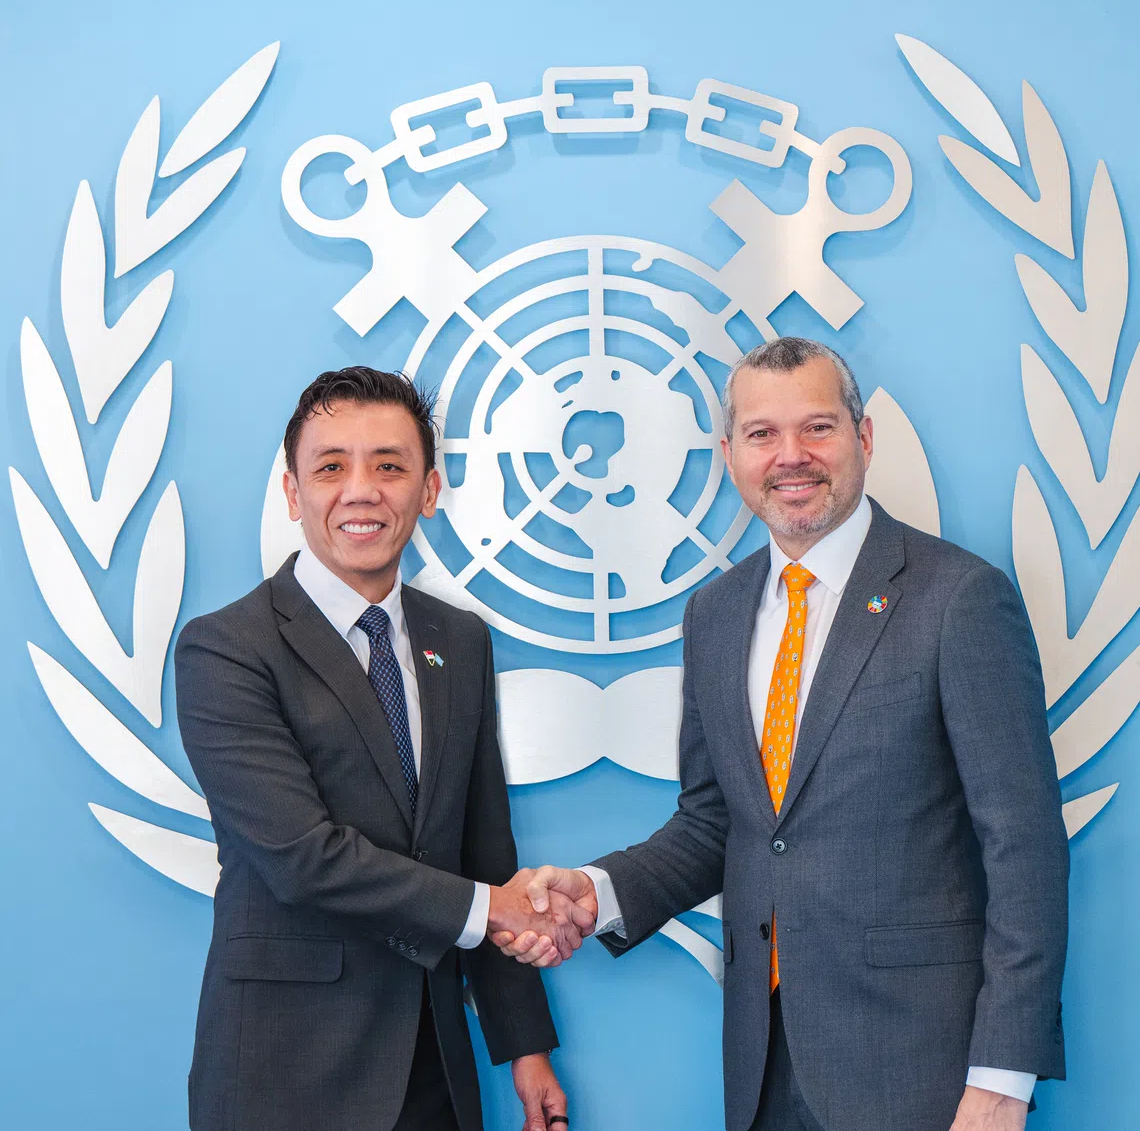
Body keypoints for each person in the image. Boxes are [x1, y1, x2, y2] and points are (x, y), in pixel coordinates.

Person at [494, 338, 1069, 1131]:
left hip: (925, 1071)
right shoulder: (716, 614)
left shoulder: (959, 600)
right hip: (763, 1065)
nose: (791, 456)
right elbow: (717, 824)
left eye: (818, 428)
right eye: (763, 434)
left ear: (863, 440)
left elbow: (1025, 847)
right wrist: (595, 896)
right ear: (731, 455)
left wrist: (1002, 1080)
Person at [175, 366, 590, 1131]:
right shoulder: (226, 650)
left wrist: (525, 1048)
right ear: (293, 493)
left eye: (389, 465)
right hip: (286, 1073)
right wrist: (493, 909)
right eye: (330, 466)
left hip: (433, 1066)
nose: (361, 490)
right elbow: (305, 860)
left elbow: (483, 850)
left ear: (428, 491)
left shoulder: (458, 640)